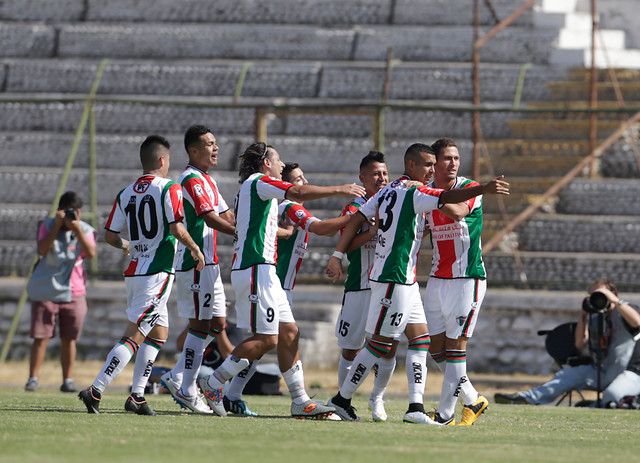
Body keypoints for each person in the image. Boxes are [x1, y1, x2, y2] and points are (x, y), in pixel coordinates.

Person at [325, 143, 509, 423]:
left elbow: (356, 219)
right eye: (428, 165)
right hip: (393, 277)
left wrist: (338, 254)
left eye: (437, 164)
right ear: (410, 165)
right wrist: (484, 188)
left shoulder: (388, 190)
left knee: (421, 341)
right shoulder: (415, 191)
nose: (433, 170)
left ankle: (415, 409)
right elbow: (449, 197)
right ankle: (341, 399)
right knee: (380, 345)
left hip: (406, 280)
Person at [198, 141, 365, 418]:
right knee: (267, 339)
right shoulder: (258, 182)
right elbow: (299, 195)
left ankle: (300, 400)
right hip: (255, 267)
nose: (282, 165)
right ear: (266, 163)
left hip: (267, 271)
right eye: (279, 161)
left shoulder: (259, 189)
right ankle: (214, 382)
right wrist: (340, 189)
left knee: (290, 333)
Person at [78, 135, 205, 415]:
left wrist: (129, 246)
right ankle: (96, 389)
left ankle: (136, 396)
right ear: (162, 160)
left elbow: (111, 236)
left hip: (136, 271)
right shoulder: (168, 188)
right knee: (135, 335)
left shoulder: (126, 192)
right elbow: (176, 229)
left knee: (159, 333)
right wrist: (195, 248)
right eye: (169, 160)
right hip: (157, 271)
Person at [159, 125, 236, 415]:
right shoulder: (191, 179)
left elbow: (227, 215)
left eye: (216, 143)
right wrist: (242, 234)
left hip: (211, 264)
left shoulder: (207, 179)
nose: (215, 148)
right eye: (209, 144)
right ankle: (189, 389)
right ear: (193, 150)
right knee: (201, 325)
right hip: (196, 263)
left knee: (217, 324)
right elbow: (211, 218)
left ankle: (177, 376)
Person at [422, 137, 491, 426]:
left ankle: (445, 414)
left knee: (455, 347)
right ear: (434, 163)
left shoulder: (468, 188)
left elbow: (460, 211)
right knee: (434, 346)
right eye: (447, 159)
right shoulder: (427, 194)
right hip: (438, 277)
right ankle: (473, 398)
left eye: (456, 158)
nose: (453, 163)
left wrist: (430, 195)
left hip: (467, 278)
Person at [495, 278, 640, 407]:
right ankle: (525, 399)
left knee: (612, 395)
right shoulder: (594, 318)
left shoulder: (625, 310)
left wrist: (614, 300)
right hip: (601, 370)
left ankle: (593, 406)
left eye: (601, 294)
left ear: (613, 294)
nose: (597, 298)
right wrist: (584, 314)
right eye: (593, 294)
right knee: (565, 376)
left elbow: (637, 322)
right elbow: (579, 344)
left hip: (630, 372)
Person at [333, 151, 394, 421]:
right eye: (375, 174)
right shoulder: (354, 208)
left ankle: (377, 399)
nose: (381, 178)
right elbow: (346, 248)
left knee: (388, 346)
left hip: (387, 286)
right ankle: (343, 400)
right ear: (362, 178)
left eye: (384, 173)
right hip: (358, 286)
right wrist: (371, 232)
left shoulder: (395, 201)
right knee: (350, 347)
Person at [25, 191, 96, 393]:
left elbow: (90, 253)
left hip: (75, 291)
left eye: (78, 213)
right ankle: (32, 379)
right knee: (41, 336)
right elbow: (42, 250)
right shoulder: (47, 225)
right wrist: (57, 225)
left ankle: (68, 380)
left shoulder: (85, 229)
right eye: (70, 213)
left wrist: (77, 229)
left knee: (70, 338)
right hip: (47, 288)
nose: (74, 217)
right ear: (60, 211)